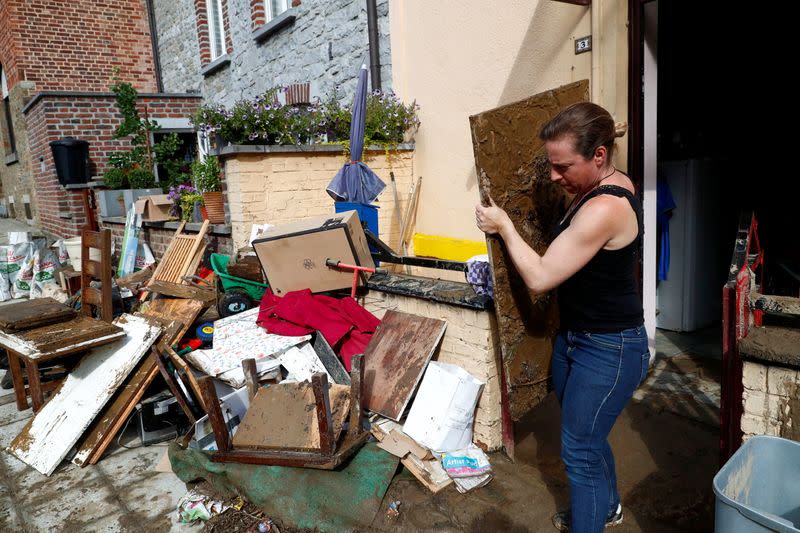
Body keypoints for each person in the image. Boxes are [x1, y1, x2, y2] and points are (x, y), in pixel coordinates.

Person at [475, 102, 649, 533]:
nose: (554, 177)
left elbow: (538, 278)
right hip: (577, 340)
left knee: (579, 451)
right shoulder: (594, 186)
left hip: (610, 348)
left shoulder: (605, 208)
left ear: (600, 156)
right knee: (587, 438)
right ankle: (607, 508)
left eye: (562, 166)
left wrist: (503, 227)